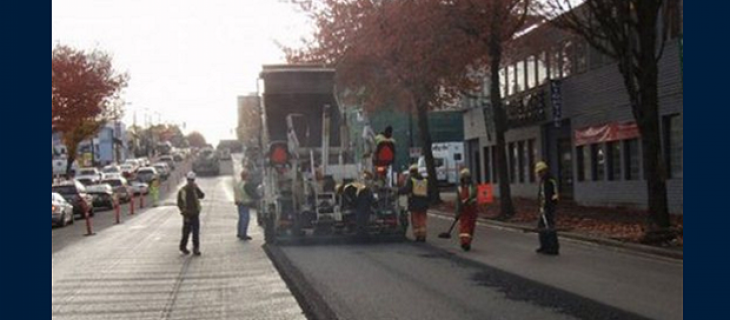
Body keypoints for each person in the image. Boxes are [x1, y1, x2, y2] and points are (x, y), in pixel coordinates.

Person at [177, 172, 206, 256]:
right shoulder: (183, 190)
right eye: (190, 180)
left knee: (196, 232)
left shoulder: (194, 189)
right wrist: (184, 212)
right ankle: (183, 247)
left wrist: (197, 188)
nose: (191, 182)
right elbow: (180, 203)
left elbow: (202, 195)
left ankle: (196, 248)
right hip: (187, 215)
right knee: (186, 232)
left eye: (192, 180)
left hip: (195, 214)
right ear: (187, 180)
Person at [535, 161, 560, 256]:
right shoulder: (543, 181)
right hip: (543, 208)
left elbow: (555, 194)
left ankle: (553, 247)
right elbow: (542, 194)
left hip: (548, 208)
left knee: (550, 227)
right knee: (541, 227)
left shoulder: (550, 181)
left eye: (540, 172)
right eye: (538, 173)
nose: (539, 174)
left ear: (545, 170)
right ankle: (544, 246)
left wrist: (551, 206)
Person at [400, 165, 430, 242]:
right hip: (424, 203)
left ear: (411, 172)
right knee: (422, 220)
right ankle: (423, 235)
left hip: (414, 203)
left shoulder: (411, 180)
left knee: (415, 220)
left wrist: (398, 191)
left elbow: (406, 189)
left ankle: (417, 236)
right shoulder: (424, 180)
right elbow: (429, 191)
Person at [456, 169, 478, 252]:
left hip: (472, 208)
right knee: (464, 226)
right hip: (463, 209)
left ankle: (468, 242)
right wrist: (457, 212)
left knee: (471, 226)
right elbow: (458, 201)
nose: (466, 179)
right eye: (464, 178)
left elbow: (474, 194)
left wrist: (467, 200)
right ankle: (464, 242)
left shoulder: (473, 186)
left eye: (467, 177)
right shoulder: (459, 188)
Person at [235, 170, 258, 241]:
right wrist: (258, 198)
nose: (249, 177)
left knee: (241, 219)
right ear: (246, 176)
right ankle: (243, 234)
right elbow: (250, 193)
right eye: (248, 175)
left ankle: (239, 233)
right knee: (245, 219)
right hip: (245, 203)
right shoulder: (246, 184)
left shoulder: (239, 184)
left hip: (239, 202)